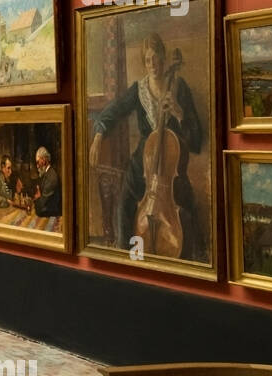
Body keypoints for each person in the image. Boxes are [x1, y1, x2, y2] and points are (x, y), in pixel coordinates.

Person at [89, 31, 202, 257]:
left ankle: (189, 264)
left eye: (157, 58)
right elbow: (115, 109)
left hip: (172, 167)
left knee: (188, 212)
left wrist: (179, 113)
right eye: (148, 60)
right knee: (123, 206)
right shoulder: (139, 90)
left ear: (163, 58)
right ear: (144, 62)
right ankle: (124, 258)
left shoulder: (178, 87)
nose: (153, 64)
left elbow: (197, 140)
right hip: (143, 163)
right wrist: (99, 134)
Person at [33, 146, 61, 217]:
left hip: (51, 216)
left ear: (44, 160)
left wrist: (38, 198)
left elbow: (40, 207)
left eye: (38, 162)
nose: (37, 166)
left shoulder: (51, 177)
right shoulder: (46, 174)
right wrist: (39, 197)